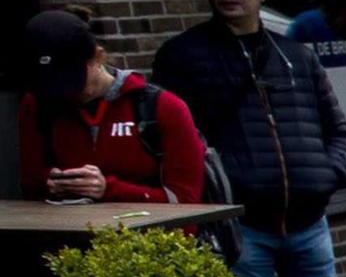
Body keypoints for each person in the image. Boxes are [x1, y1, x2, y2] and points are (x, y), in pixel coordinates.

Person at [156, 0, 346, 277]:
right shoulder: (182, 57)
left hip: (308, 221)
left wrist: (327, 176)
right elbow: (171, 143)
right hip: (241, 228)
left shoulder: (296, 55)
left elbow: (337, 129)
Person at [19, 11, 208, 210]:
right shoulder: (37, 104)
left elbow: (186, 201)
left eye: (71, 81)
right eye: (48, 83)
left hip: (145, 237)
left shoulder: (163, 108)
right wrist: (53, 184)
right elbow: (30, 188)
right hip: (67, 234)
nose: (63, 93)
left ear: (97, 57)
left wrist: (107, 189)